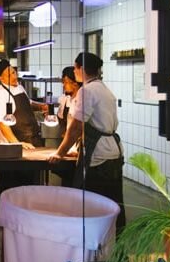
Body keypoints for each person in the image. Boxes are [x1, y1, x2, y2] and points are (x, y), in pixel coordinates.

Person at [49, 52, 126, 229]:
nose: (74, 71)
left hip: (98, 157)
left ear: (81, 69)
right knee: (114, 202)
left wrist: (60, 153)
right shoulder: (103, 88)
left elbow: (76, 127)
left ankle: (95, 240)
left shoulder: (87, 90)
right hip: (113, 153)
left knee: (93, 205)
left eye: (75, 67)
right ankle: (116, 239)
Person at [0, 59, 47, 202]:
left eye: (14, 72)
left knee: (28, 185)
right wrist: (17, 144)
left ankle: (26, 212)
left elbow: (28, 103)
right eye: (9, 74)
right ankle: (6, 214)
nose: (14, 76)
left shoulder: (19, 87)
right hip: (12, 146)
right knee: (10, 185)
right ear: (0, 78)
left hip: (30, 140)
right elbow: (2, 124)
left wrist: (41, 106)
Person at [53, 66, 82, 186]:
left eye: (65, 82)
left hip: (78, 148)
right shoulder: (66, 99)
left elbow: (78, 128)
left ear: (75, 83)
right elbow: (61, 119)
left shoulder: (81, 100)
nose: (63, 85)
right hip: (68, 145)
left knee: (74, 182)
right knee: (67, 181)